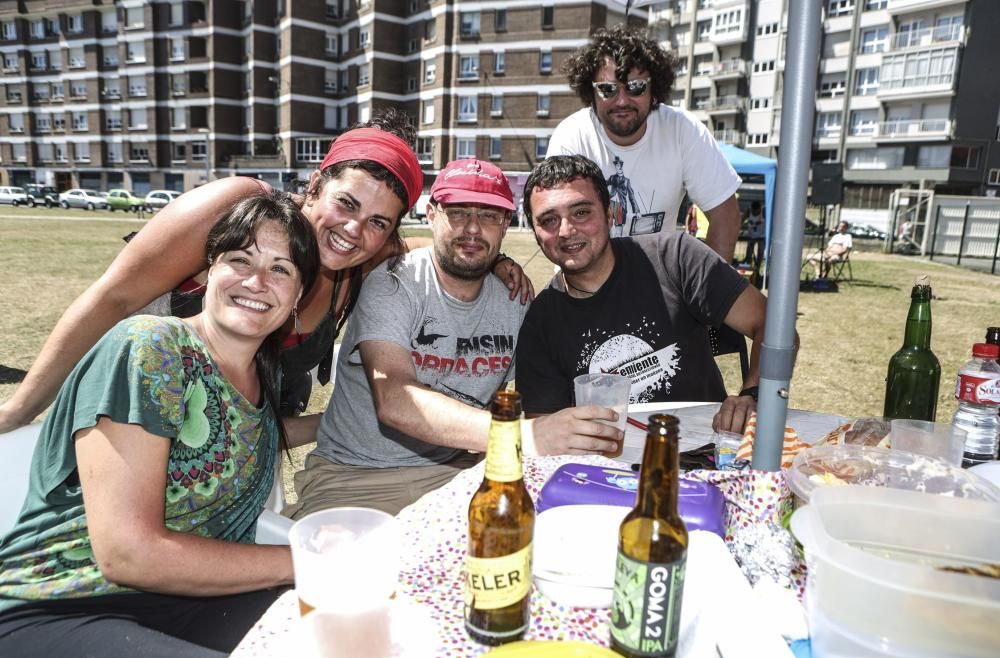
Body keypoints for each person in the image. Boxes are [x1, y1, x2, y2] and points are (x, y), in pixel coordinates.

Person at [0, 110, 533, 432]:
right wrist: (19, 410)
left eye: (376, 222)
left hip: (236, 450)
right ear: (316, 184)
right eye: (345, 204)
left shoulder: (359, 259)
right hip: (131, 408)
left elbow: (435, 245)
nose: (352, 230)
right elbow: (111, 298)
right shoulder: (236, 208)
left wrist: (496, 257)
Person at [0, 192, 323, 658]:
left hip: (194, 600)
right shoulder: (152, 349)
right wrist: (311, 562)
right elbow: (128, 553)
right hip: (62, 604)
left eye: (281, 269)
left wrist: (333, 422)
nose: (257, 280)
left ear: (296, 297)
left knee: (349, 636)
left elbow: (240, 438)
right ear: (209, 271)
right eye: (240, 259)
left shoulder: (265, 373)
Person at [285, 158, 622, 518]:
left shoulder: (516, 301)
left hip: (455, 477)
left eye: (489, 215)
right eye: (458, 212)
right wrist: (527, 435)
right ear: (431, 215)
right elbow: (396, 400)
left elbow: (533, 393)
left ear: (506, 224)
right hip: (353, 476)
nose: (473, 229)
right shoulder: (395, 282)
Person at [515, 155, 770, 435]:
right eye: (549, 220)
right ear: (536, 233)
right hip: (606, 465)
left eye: (581, 212)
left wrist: (754, 394)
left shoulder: (675, 257)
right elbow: (544, 432)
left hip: (705, 451)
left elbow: (770, 324)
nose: (566, 231)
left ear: (610, 214)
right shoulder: (540, 323)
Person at [546, 24, 742, 261]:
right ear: (591, 93)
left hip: (658, 284)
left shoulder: (683, 129)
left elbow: (725, 216)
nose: (621, 100)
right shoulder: (571, 135)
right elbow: (558, 223)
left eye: (636, 87)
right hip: (584, 281)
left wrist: (709, 291)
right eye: (607, 89)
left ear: (654, 89)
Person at [744, 201, 766, 266]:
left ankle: (758, 267)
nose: (755, 213)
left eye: (756, 212)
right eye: (753, 212)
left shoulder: (764, 212)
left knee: (761, 252)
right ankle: (748, 265)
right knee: (749, 251)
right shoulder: (749, 211)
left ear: (759, 209)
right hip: (752, 235)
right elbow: (742, 219)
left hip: (762, 236)